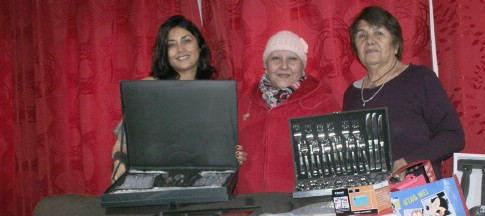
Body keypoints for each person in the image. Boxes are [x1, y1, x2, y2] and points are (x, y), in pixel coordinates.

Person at [111, 15, 246, 181]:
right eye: (171, 45)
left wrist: (234, 154)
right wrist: (120, 162)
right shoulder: (149, 89)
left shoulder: (216, 95)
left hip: (203, 186)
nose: (181, 49)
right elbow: (124, 141)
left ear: (199, 45)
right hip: (157, 186)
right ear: (164, 53)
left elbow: (219, 146)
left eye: (186, 40)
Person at [343, 6, 465, 178]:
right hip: (367, 198)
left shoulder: (419, 79)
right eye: (362, 35)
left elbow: (453, 136)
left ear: (396, 45)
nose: (369, 41)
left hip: (417, 195)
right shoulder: (352, 93)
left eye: (378, 33)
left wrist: (408, 162)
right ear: (356, 49)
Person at [235, 30, 340, 193]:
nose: (284, 66)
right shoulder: (242, 102)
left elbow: (336, 162)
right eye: (276, 58)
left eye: (292, 59)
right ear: (265, 64)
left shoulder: (323, 104)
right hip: (248, 205)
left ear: (303, 65)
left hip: (303, 206)